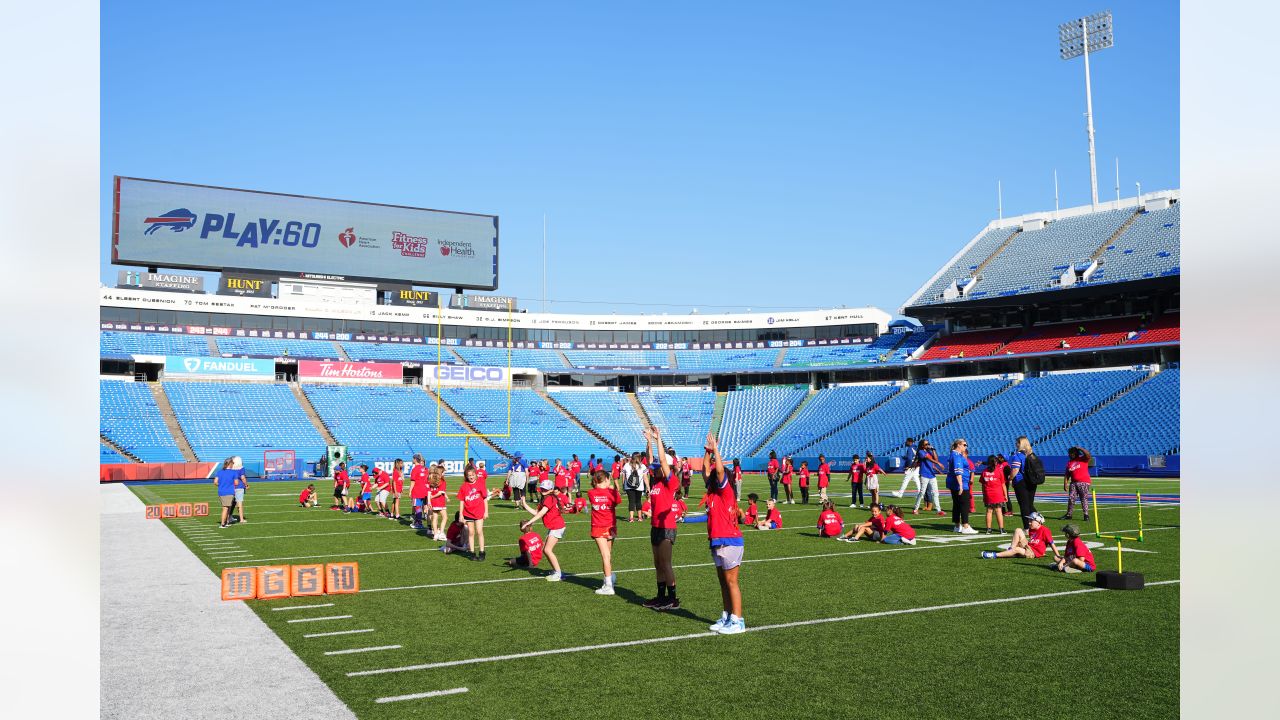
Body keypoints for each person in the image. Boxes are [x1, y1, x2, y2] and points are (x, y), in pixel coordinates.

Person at [702, 433, 746, 635]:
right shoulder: (711, 493)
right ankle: (727, 616)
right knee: (723, 582)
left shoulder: (726, 491)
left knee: (731, 582)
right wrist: (707, 451)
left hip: (730, 541)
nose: (711, 477)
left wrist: (716, 451)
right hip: (717, 541)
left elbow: (718, 471)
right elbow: (705, 469)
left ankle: (738, 620)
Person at [644, 426, 683, 610]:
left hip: (667, 526)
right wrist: (649, 441)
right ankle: (660, 597)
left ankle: (673, 599)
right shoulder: (656, 481)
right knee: (657, 563)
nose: (655, 469)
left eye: (659, 468)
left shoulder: (670, 481)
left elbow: (661, 460)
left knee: (666, 563)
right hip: (656, 526)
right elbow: (651, 459)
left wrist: (658, 438)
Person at [521, 479, 565, 581]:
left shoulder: (549, 498)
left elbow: (541, 513)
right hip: (554, 527)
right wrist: (524, 504)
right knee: (546, 550)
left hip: (557, 526)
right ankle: (556, 571)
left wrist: (528, 523)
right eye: (542, 488)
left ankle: (558, 574)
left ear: (550, 490)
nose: (543, 490)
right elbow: (536, 512)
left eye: (545, 489)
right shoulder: (545, 499)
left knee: (547, 550)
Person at [587, 470, 622, 595]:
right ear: (606, 479)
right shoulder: (612, 492)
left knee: (605, 556)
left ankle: (608, 585)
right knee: (608, 555)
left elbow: (595, 492)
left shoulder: (591, 493)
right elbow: (617, 502)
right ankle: (609, 577)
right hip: (611, 526)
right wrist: (612, 490)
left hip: (598, 527)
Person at [982, 512, 1056, 560]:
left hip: (1033, 553)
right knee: (1018, 530)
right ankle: (1011, 550)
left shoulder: (1045, 530)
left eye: (1031, 521)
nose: (1029, 523)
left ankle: (994, 555)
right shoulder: (1032, 529)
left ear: (1039, 522)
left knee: (1017, 549)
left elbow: (1051, 543)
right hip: (1030, 548)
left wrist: (1058, 555)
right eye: (1029, 521)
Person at [1010, 437, 1045, 530]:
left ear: (1019, 444)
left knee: (1024, 506)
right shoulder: (1031, 455)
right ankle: (1039, 523)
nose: (1015, 445)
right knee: (1030, 504)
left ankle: (1027, 527)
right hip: (1032, 482)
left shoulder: (1017, 455)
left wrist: (1010, 478)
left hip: (1021, 482)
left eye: (1017, 443)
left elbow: (1015, 470)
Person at [458, 466, 490, 561]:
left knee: (479, 531)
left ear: (475, 475)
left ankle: (482, 552)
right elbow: (461, 501)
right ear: (466, 476)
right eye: (469, 476)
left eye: (472, 475)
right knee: (471, 533)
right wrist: (461, 514)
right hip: (468, 512)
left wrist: (486, 511)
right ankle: (472, 552)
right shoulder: (464, 486)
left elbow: (485, 499)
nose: (471, 477)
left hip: (479, 512)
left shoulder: (480, 484)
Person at [947, 439, 978, 534]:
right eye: (964, 445)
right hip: (960, 483)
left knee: (956, 504)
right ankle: (965, 526)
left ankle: (957, 526)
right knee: (964, 504)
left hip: (954, 482)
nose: (966, 447)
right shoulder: (957, 456)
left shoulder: (954, 455)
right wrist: (960, 485)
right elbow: (958, 471)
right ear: (959, 445)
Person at [915, 440, 946, 517]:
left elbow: (935, 459)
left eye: (928, 443)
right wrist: (938, 463)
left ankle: (938, 510)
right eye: (926, 444)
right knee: (922, 492)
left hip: (932, 475)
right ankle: (915, 509)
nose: (928, 445)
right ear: (922, 445)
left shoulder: (929, 451)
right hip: (924, 474)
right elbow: (928, 458)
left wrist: (933, 449)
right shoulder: (921, 452)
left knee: (936, 493)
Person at [1062, 447, 1093, 521]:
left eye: (1070, 454)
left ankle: (1086, 515)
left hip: (1084, 482)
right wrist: (1065, 484)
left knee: (1084, 499)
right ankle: (1069, 514)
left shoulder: (1083, 459)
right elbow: (1067, 474)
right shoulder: (1069, 463)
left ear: (1075, 453)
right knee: (1071, 499)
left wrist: (1080, 448)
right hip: (1073, 483)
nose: (1069, 455)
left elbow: (1088, 455)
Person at [979, 455, 1007, 534]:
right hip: (998, 494)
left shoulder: (984, 472)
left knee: (989, 511)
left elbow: (983, 485)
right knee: (998, 511)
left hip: (988, 494)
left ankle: (988, 529)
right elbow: (1003, 484)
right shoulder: (999, 470)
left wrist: (984, 495)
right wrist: (1006, 495)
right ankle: (1001, 529)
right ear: (995, 462)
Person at [213, 458, 238, 528]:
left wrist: (221, 485)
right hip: (229, 492)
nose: (233, 464)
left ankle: (226, 522)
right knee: (226, 508)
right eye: (233, 463)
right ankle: (222, 524)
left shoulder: (219, 472)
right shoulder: (234, 472)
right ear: (230, 464)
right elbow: (236, 483)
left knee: (228, 507)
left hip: (221, 491)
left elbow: (215, 482)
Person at [427, 465, 449, 540]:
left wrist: (429, 501)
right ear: (441, 473)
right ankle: (441, 533)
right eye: (444, 472)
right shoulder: (442, 481)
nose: (444, 474)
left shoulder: (432, 480)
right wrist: (433, 497)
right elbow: (440, 492)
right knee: (445, 517)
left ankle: (435, 534)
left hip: (433, 503)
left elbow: (429, 492)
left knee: (435, 518)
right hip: (439, 502)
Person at [408, 454, 430, 530]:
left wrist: (410, 491)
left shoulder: (415, 469)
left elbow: (413, 482)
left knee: (417, 507)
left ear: (415, 459)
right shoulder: (424, 469)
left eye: (413, 459)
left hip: (417, 490)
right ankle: (423, 523)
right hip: (425, 490)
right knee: (423, 506)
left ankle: (419, 523)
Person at [229, 456, 248, 524]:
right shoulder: (241, 469)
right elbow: (243, 477)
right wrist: (246, 485)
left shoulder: (230, 468)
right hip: (239, 487)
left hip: (231, 487)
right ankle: (241, 519)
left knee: (232, 503)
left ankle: (229, 517)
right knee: (239, 504)